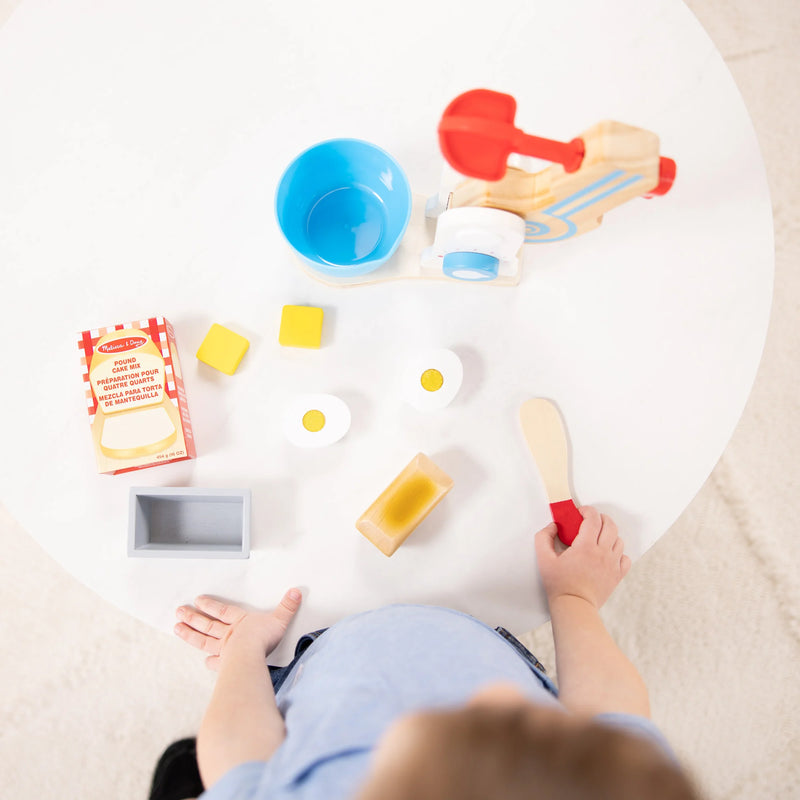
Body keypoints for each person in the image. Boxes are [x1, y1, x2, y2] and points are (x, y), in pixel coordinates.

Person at [148, 507, 700, 800]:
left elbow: (237, 765)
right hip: (478, 634)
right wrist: (574, 597)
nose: (492, 693)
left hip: (314, 667)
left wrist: (246, 651)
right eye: (526, 714)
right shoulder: (610, 782)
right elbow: (612, 712)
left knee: (190, 765)